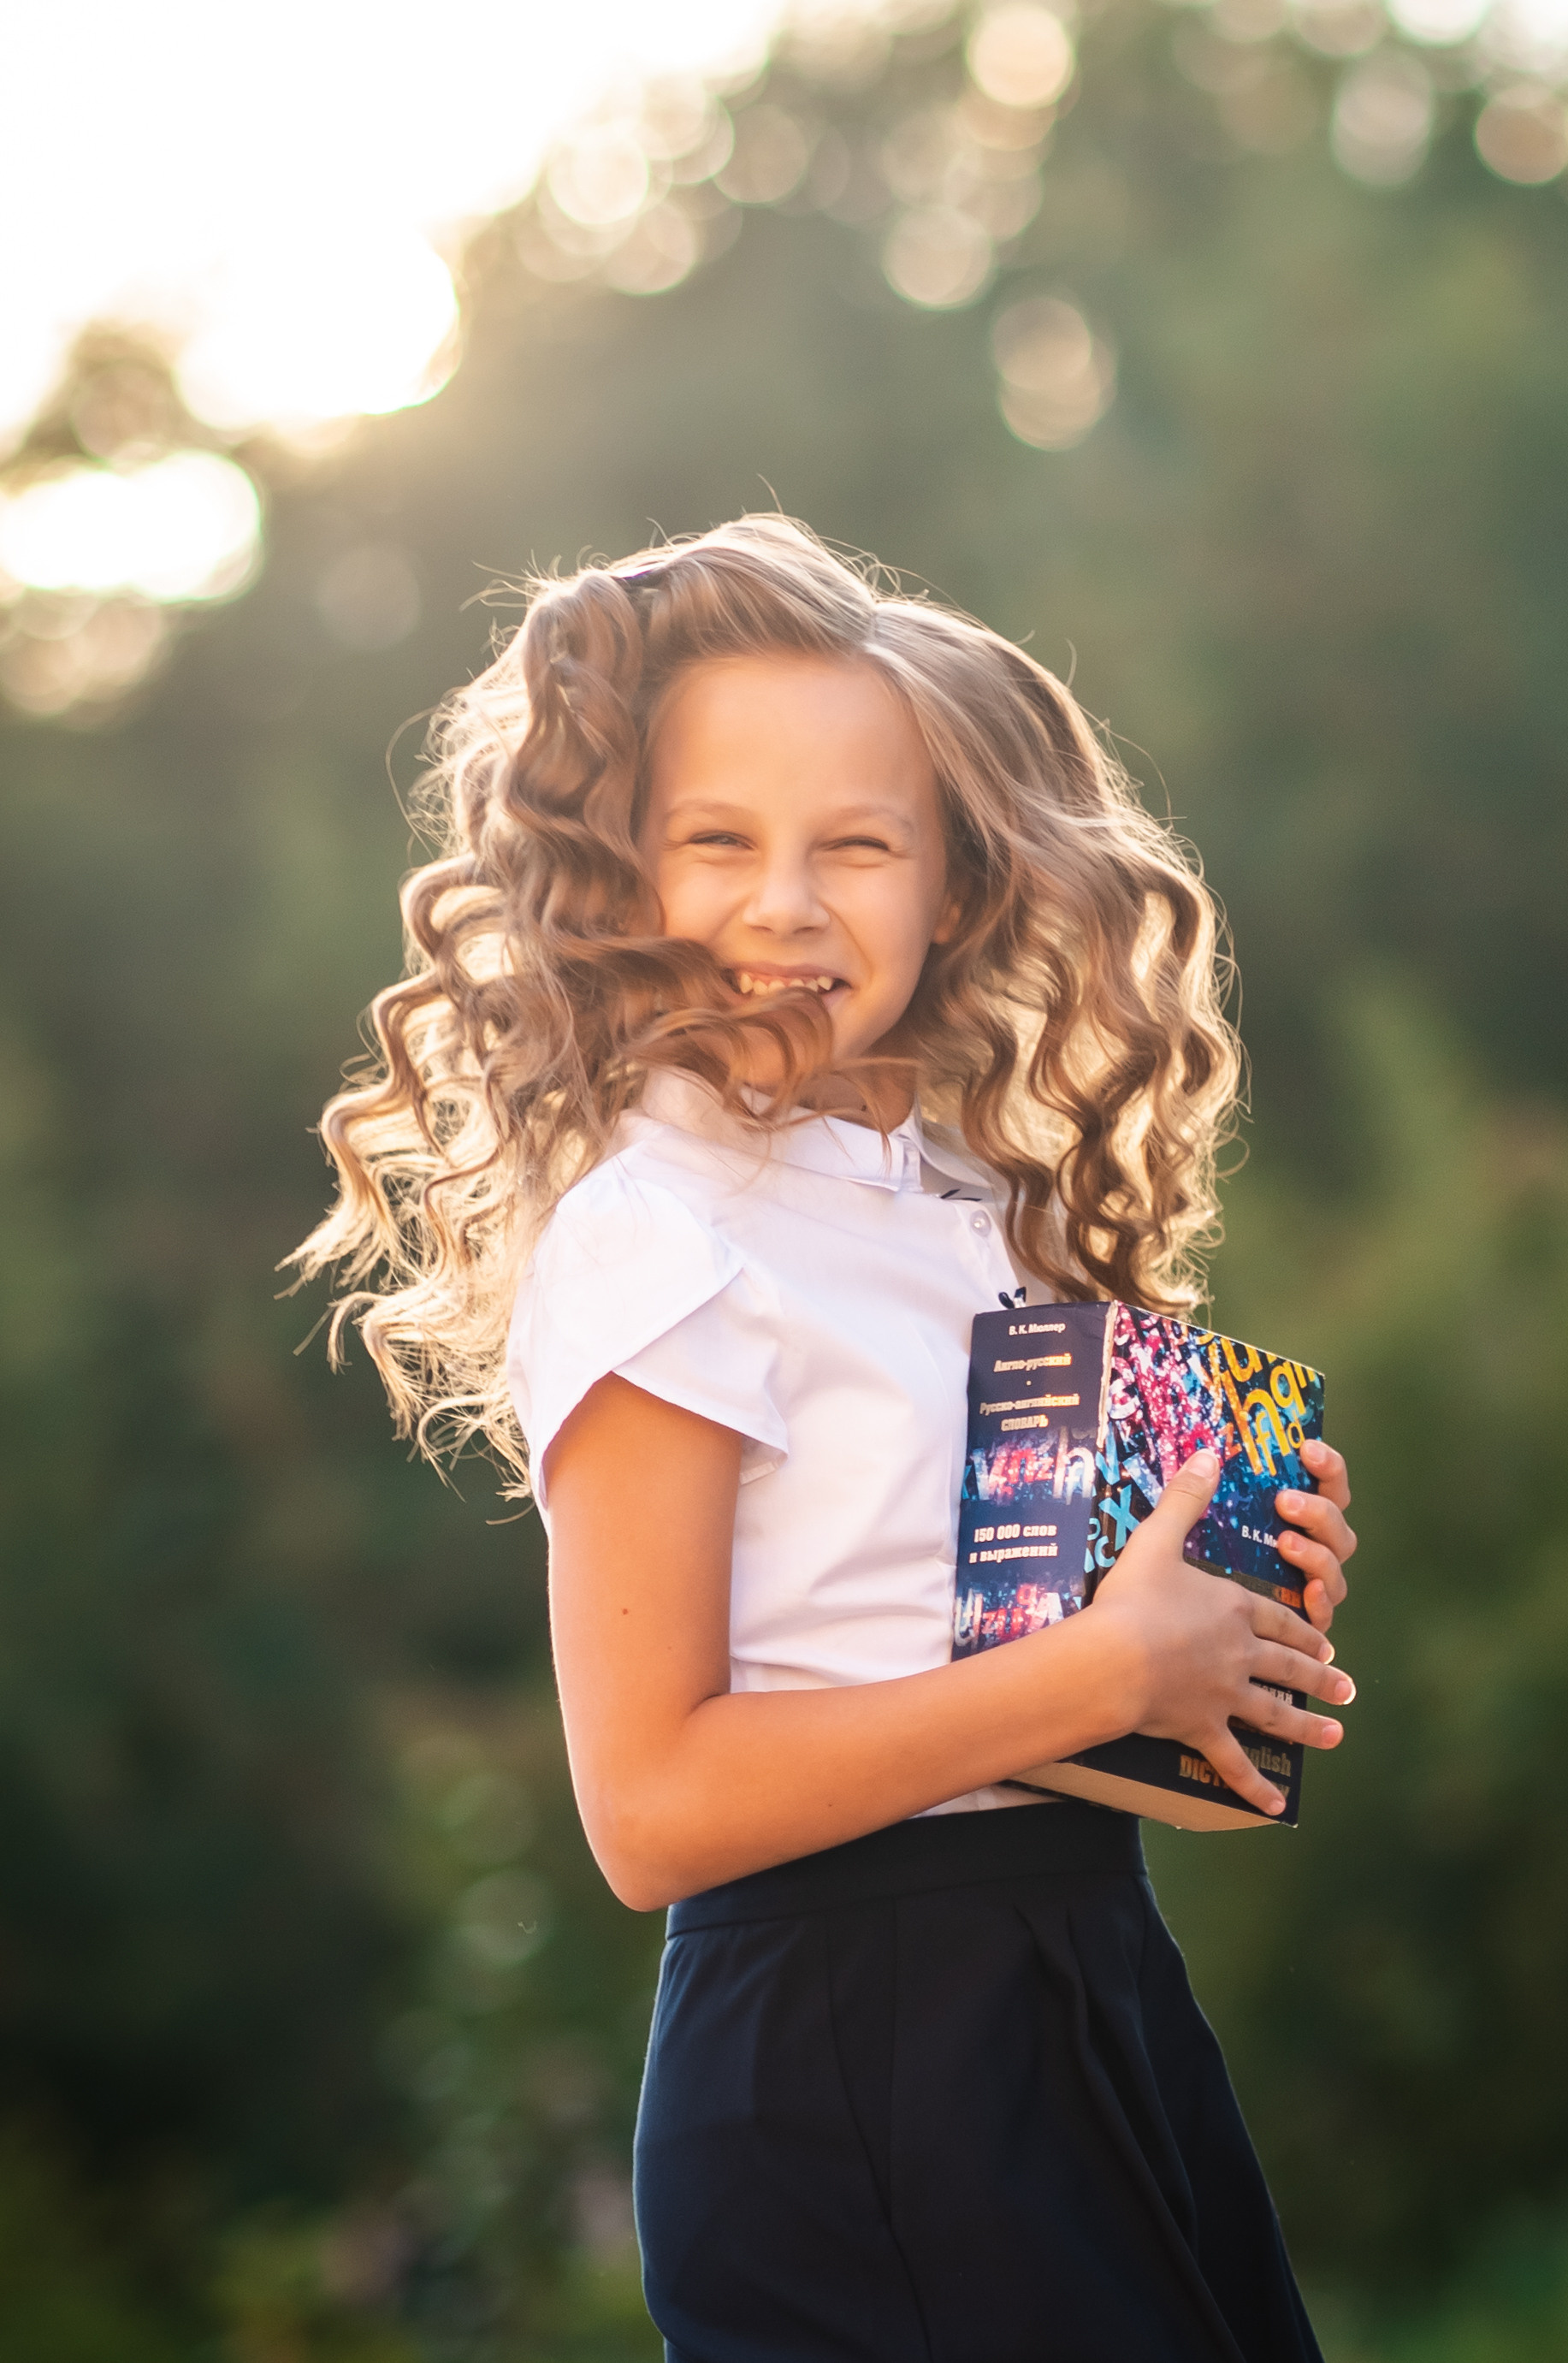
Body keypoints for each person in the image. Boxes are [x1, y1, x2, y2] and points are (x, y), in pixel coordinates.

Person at [301, 516, 1358, 2363]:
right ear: (619, 878)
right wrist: (1111, 1658)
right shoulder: (658, 1228)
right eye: (719, 842)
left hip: (1079, 1985)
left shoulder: (953, 1198)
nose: (787, 903)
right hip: (854, 2047)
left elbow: (1001, 1687)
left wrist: (1213, 1625)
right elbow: (652, 1809)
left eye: (855, 845)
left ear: (953, 883)